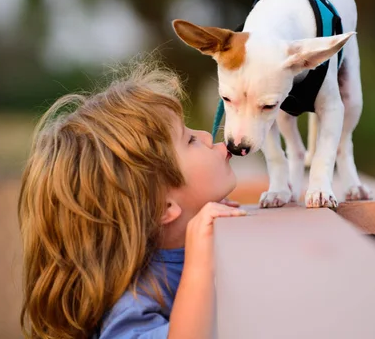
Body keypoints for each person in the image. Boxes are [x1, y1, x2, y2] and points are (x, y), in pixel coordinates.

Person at [18, 59, 246, 338]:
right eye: (189, 140)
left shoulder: (181, 242)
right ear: (163, 207)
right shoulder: (131, 306)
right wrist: (199, 269)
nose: (204, 135)